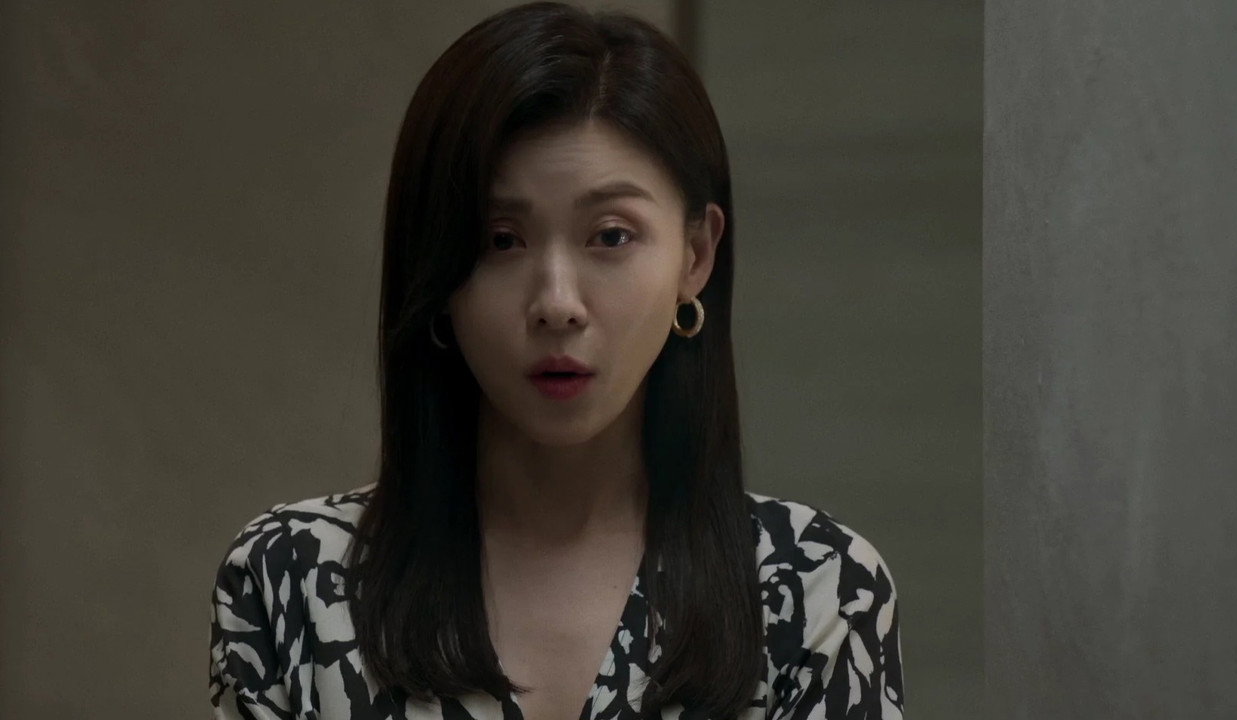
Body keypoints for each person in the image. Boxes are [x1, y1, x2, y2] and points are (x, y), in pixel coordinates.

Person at [207, 2, 904, 718]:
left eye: (611, 235)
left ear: (695, 256)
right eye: (501, 240)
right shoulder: (291, 581)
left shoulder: (818, 590)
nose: (557, 303)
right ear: (437, 267)